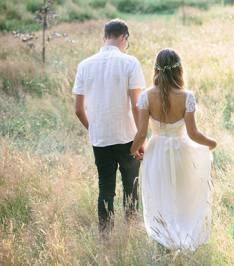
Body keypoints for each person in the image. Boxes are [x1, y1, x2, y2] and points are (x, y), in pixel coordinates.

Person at [130, 48, 217, 251]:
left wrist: (134, 150)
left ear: (156, 70)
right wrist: (211, 143)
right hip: (182, 151)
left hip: (156, 151)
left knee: (160, 193)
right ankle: (182, 233)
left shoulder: (146, 97)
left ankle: (164, 236)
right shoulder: (186, 96)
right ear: (179, 70)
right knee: (182, 192)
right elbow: (194, 134)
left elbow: (141, 133)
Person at [72, 19, 146, 235]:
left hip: (100, 138)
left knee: (105, 188)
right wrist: (141, 138)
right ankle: (130, 231)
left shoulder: (85, 65)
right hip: (128, 138)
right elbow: (136, 105)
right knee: (131, 186)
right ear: (124, 38)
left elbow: (78, 109)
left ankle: (106, 236)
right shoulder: (130, 62)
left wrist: (94, 128)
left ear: (105, 37)